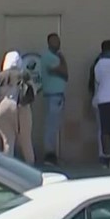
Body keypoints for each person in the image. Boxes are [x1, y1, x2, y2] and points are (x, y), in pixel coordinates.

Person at [0, 51, 34, 163]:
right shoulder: (25, 75)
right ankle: (32, 168)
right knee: (26, 141)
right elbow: (32, 92)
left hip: (2, 109)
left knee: (8, 141)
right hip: (22, 107)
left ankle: (9, 171)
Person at [38, 32, 69, 164]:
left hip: (57, 96)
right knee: (51, 126)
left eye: (59, 40)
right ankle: (49, 155)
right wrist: (62, 59)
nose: (58, 43)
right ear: (49, 42)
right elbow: (64, 73)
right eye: (55, 41)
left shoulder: (53, 57)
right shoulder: (49, 57)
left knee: (54, 125)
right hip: (53, 96)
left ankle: (52, 154)